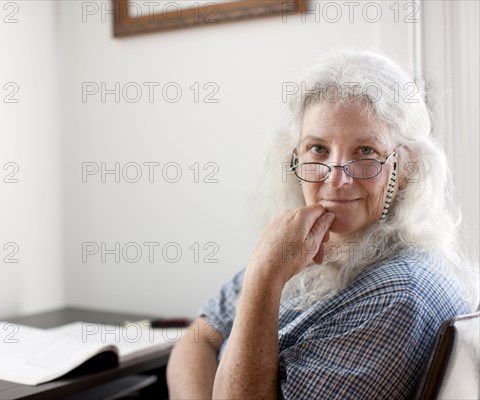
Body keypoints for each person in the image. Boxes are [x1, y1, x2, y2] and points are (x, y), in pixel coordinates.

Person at [166, 50, 478, 399]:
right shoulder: (312, 245)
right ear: (295, 158)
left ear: (405, 169)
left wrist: (264, 277)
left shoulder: (397, 295)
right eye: (318, 148)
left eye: (365, 152)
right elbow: (200, 337)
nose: (336, 178)